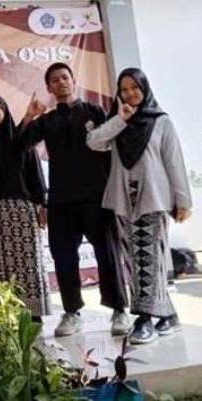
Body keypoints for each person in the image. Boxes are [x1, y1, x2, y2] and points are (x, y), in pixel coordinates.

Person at [19, 62, 130, 336]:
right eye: (55, 80)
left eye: (64, 77)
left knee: (108, 253)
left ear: (72, 80)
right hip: (61, 199)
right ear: (49, 87)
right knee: (64, 257)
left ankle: (119, 310)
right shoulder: (47, 121)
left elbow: (114, 148)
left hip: (97, 196)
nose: (61, 82)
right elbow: (20, 145)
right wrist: (29, 116)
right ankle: (71, 312)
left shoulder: (94, 111)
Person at [86, 67, 192, 344]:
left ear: (145, 89)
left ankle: (144, 319)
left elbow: (174, 162)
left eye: (135, 87)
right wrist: (120, 119)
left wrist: (183, 200)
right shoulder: (117, 123)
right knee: (134, 261)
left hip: (154, 199)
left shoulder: (161, 122)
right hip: (124, 202)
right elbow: (94, 142)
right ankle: (168, 315)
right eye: (124, 89)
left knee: (150, 260)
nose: (130, 93)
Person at [0, 94, 51, 319]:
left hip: (22, 210)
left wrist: (43, 205)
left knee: (28, 262)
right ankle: (6, 314)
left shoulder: (22, 138)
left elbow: (35, 175)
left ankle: (33, 315)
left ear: (5, 110)